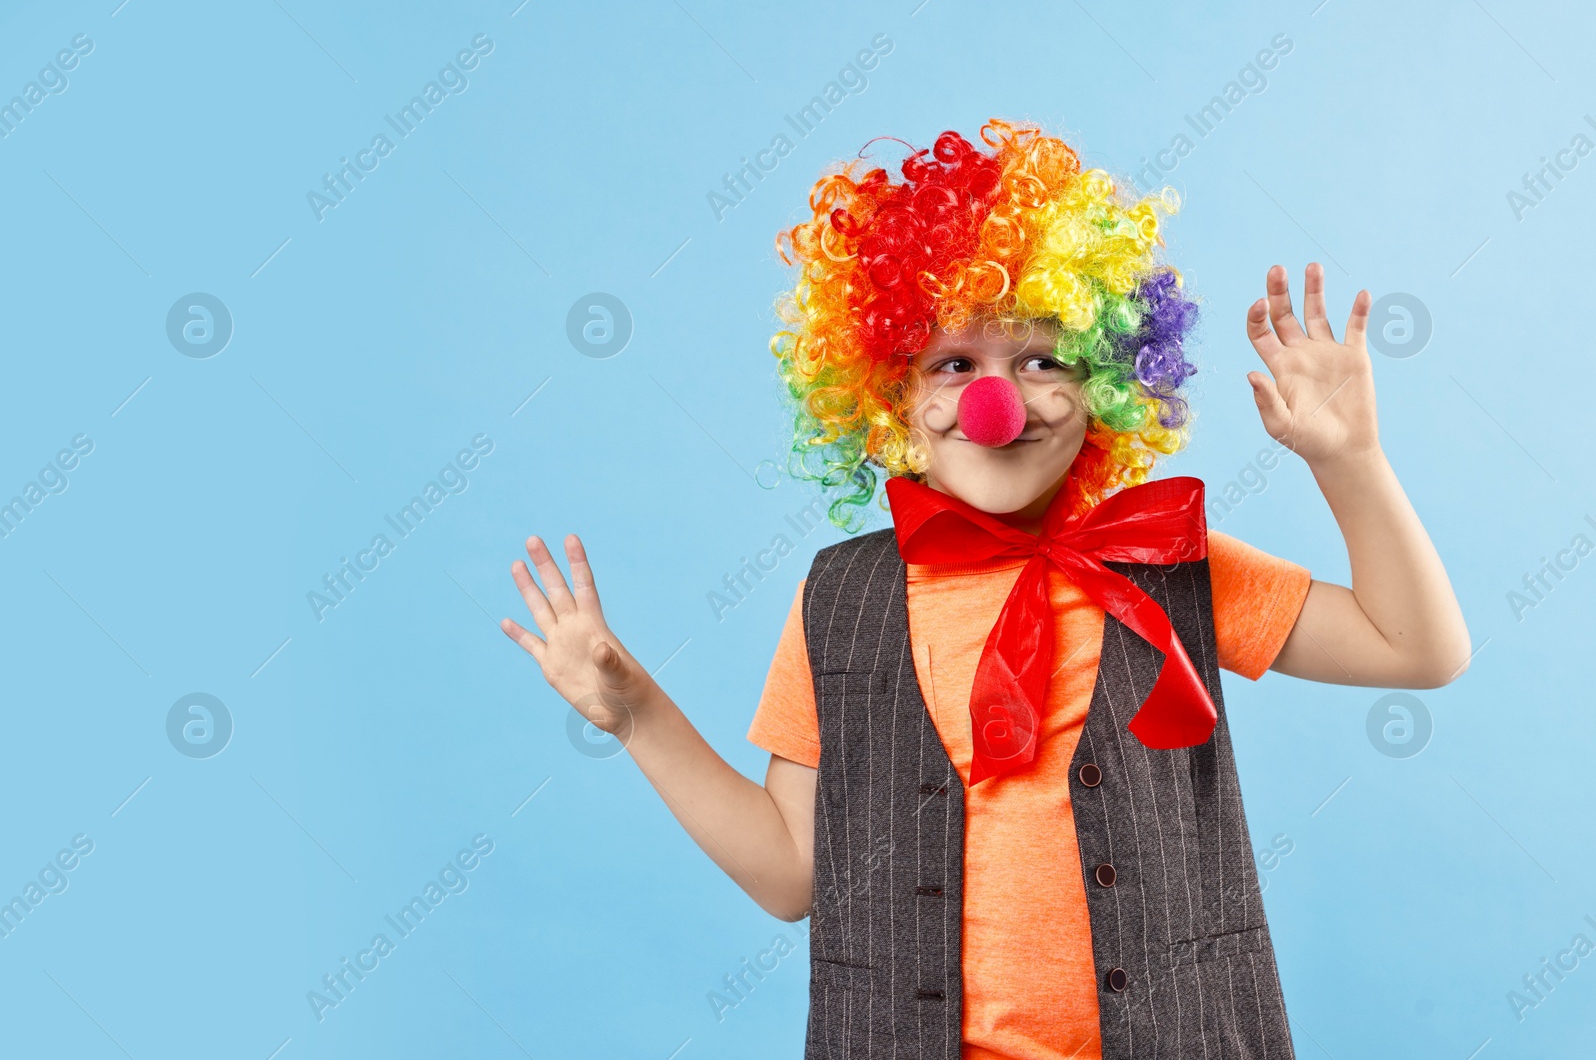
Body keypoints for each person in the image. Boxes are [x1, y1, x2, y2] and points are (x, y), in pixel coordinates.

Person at [498, 120, 1470, 1059]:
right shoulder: (840, 598)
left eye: (1040, 359)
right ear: (892, 395)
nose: (993, 401)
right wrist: (637, 715)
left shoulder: (1167, 557)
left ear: (1108, 382)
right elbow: (794, 871)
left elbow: (1416, 647)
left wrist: (1352, 464)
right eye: (953, 363)